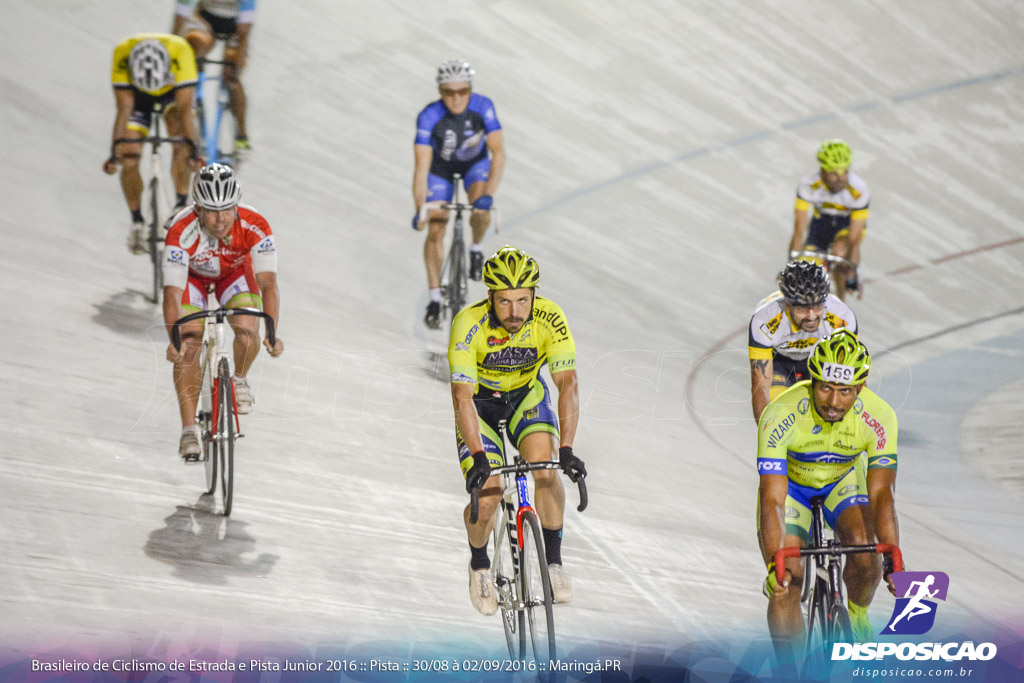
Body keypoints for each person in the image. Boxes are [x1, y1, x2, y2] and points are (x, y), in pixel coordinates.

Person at [447, 246, 586, 615]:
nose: (514, 312)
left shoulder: (550, 318)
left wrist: (567, 448)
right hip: (480, 406)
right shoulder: (468, 323)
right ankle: (479, 563)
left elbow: (567, 384)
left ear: (534, 296)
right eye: (505, 301)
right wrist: (479, 456)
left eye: (523, 300)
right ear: (490, 297)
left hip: (525, 396)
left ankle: (553, 562)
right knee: (489, 495)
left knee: (545, 467)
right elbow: (461, 397)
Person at [756, 329, 899, 660]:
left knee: (868, 558)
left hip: (843, 480)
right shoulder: (779, 414)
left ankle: (858, 614)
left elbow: (881, 494)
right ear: (812, 381)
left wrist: (894, 558)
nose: (834, 402)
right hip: (792, 488)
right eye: (825, 388)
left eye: (845, 391)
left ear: (860, 388)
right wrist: (774, 565)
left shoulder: (880, 417)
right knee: (785, 583)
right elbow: (772, 499)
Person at [161, 164, 284, 460]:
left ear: (236, 206)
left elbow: (268, 284)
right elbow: (172, 294)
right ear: (198, 209)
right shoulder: (181, 231)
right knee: (190, 343)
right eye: (211, 212)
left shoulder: (257, 225)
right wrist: (174, 340)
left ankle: (238, 379)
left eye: (227, 210)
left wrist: (272, 333)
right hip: (193, 278)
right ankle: (189, 430)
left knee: (247, 328)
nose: (219, 220)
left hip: (234, 272)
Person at [413, 59, 506, 328]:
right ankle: (434, 298)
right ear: (441, 92)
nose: (456, 99)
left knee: (480, 205)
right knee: (436, 227)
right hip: (440, 168)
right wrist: (420, 208)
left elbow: (498, 153)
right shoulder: (429, 115)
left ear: (470, 89)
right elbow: (421, 167)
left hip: (474, 165)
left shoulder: (483, 107)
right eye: (449, 93)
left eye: (462, 92)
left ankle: (476, 248)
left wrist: (488, 194)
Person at [103, 33, 201, 254]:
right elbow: (124, 109)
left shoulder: (181, 52)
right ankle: (137, 222)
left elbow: (186, 112)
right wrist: (114, 153)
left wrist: (194, 151)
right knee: (129, 154)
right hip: (138, 97)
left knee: (182, 144)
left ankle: (180, 205)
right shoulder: (122, 54)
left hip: (171, 94)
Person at [748, 260, 857, 422]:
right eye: (802, 309)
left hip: (820, 360)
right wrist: (767, 435)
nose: (812, 316)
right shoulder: (765, 321)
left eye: (818, 307)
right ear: (788, 304)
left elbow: (853, 379)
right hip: (779, 363)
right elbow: (761, 388)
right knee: (777, 411)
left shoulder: (842, 318)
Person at [787, 139, 870, 301]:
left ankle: (841, 301)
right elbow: (799, 229)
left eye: (844, 172)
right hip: (821, 225)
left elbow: (854, 239)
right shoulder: (809, 185)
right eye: (833, 173)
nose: (840, 179)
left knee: (840, 252)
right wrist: (791, 267)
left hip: (846, 225)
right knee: (808, 268)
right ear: (823, 171)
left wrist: (852, 275)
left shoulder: (858, 190)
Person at [172, 0, 256, 152]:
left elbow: (244, 29)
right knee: (192, 56)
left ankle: (241, 135)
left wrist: (239, 59)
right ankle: (192, 103)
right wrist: (173, 46)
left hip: (236, 27)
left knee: (231, 77)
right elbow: (181, 13)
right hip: (206, 21)